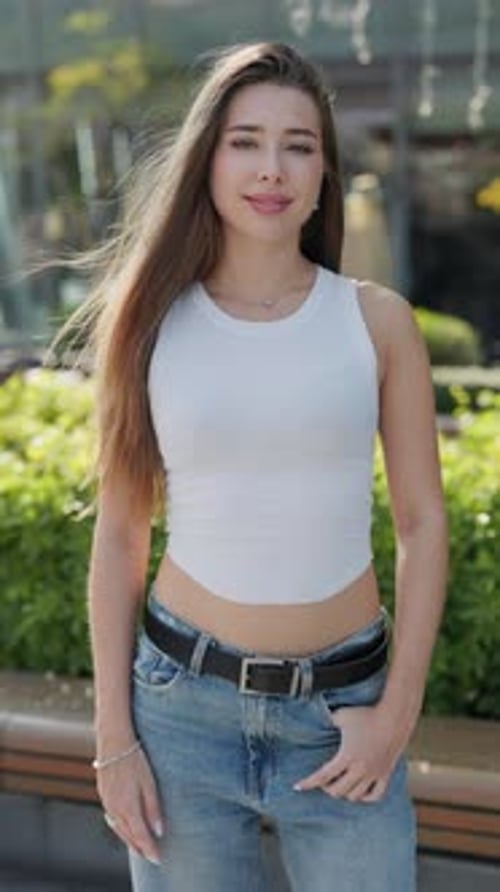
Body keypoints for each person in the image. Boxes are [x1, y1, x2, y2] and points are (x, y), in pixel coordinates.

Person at [81, 41, 448, 891]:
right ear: (208, 158)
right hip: (179, 713)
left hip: (345, 714)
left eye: (300, 144)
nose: (272, 167)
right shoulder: (148, 321)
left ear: (324, 171)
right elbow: (119, 533)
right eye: (245, 140)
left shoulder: (377, 322)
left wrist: (397, 714)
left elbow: (424, 526)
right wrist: (112, 742)